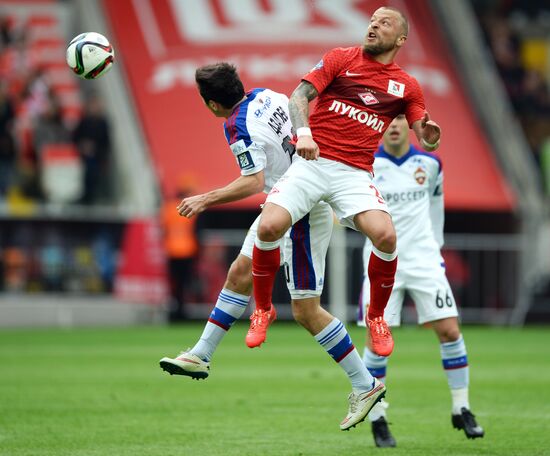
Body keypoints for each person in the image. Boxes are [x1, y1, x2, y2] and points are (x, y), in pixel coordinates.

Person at [160, 63, 383, 429]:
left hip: (302, 210)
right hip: (285, 200)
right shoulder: (266, 94)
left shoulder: (234, 125)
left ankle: (365, 384)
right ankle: (201, 354)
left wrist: (204, 199)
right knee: (239, 273)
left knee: (307, 312)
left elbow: (253, 181)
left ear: (213, 104)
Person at [248, 6, 441, 360]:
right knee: (268, 227)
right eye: (371, 21)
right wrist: (304, 134)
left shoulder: (407, 86)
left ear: (401, 39)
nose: (373, 26)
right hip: (313, 161)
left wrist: (428, 136)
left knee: (386, 235)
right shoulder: (341, 58)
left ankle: (376, 317)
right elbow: (298, 97)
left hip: (353, 173)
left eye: (383, 23)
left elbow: (424, 136)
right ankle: (262, 309)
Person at [358, 115, 484, 447]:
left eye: (401, 117)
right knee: (377, 342)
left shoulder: (430, 163)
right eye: (389, 119)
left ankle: (462, 408)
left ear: (410, 124)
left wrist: (436, 248)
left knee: (450, 331)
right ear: (380, 125)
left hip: (424, 260)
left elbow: (436, 207)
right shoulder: (364, 164)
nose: (395, 124)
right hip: (381, 263)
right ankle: (378, 417)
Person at [160, 179, 199, 321]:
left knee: (174, 285)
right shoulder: (191, 208)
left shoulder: (168, 207)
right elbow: (195, 230)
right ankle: (182, 312)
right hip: (187, 250)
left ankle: (174, 311)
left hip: (171, 250)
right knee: (184, 284)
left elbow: (163, 228)